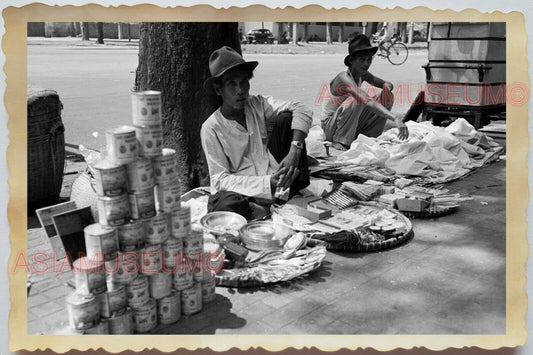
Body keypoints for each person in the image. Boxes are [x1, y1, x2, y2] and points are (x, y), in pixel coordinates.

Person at [201, 46, 312, 203]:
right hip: (246, 189)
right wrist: (266, 183)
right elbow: (220, 180)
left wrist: (295, 150)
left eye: (244, 81)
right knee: (224, 203)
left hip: (275, 173)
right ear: (219, 90)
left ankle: (288, 191)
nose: (240, 90)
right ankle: (265, 204)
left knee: (287, 118)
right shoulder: (211, 128)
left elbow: (302, 108)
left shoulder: (257, 104)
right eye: (231, 84)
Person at [320, 34, 409, 150]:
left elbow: (386, 84)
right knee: (358, 99)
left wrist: (387, 87)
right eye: (362, 60)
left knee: (387, 97)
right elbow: (366, 100)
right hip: (330, 127)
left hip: (346, 122)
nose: (366, 64)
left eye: (369, 60)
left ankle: (369, 136)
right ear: (351, 60)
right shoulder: (343, 77)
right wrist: (395, 118)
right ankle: (341, 141)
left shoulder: (362, 74)